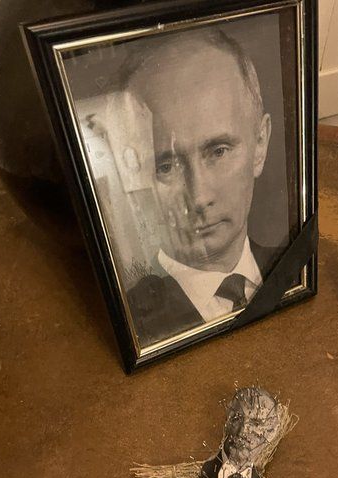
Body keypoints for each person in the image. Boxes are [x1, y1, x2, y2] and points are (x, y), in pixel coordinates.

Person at [126, 27, 283, 345]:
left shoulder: (293, 267)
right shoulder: (133, 321)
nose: (198, 198)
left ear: (260, 144)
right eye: (166, 166)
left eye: (218, 151)